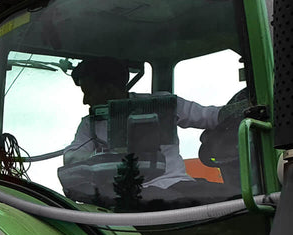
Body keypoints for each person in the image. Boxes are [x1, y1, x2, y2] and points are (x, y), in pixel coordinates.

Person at [59, 57, 231, 208]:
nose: (85, 101)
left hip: (179, 185)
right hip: (129, 195)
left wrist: (246, 107)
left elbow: (211, 116)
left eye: (88, 93)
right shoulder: (90, 123)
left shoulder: (162, 104)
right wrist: (103, 157)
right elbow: (73, 156)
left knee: (235, 201)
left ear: (109, 89)